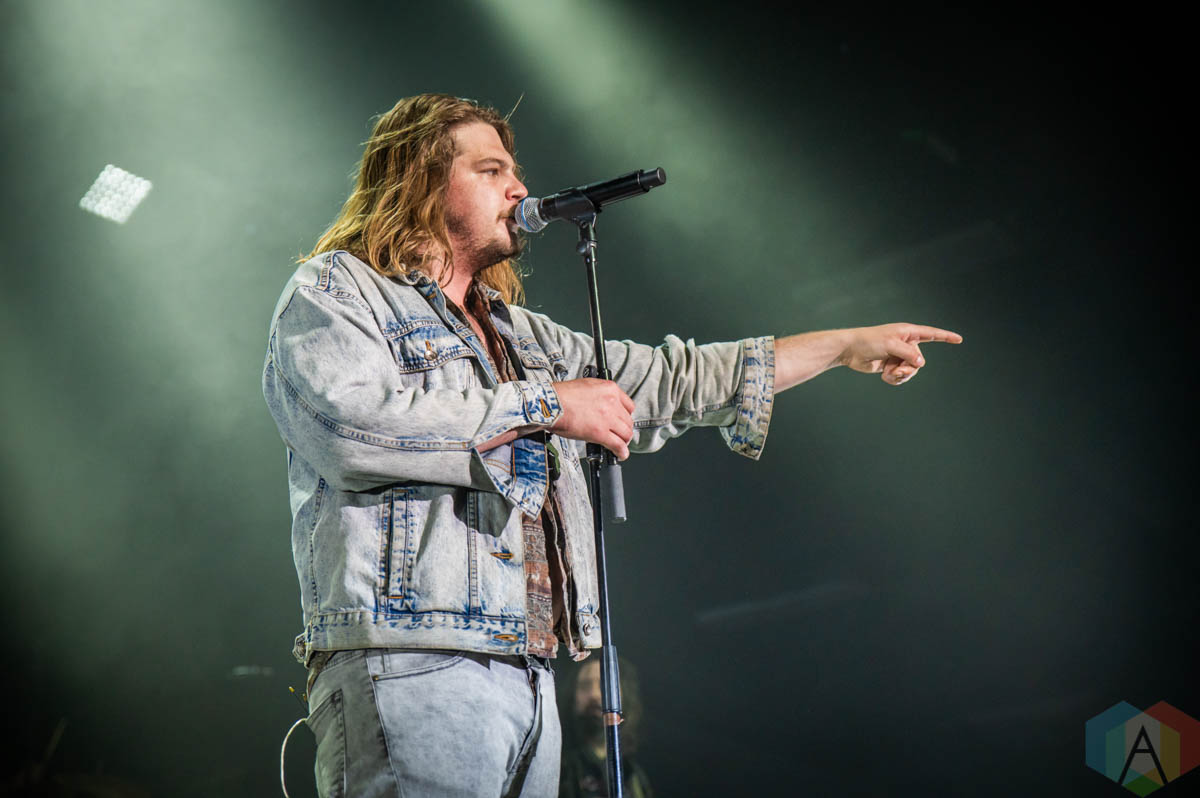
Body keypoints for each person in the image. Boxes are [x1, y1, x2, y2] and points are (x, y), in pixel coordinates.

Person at [262, 93, 962, 798]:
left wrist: (841, 344)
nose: (520, 189)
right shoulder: (337, 290)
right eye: (491, 170)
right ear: (421, 179)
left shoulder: (523, 336)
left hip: (530, 670)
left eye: (515, 171)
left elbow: (672, 378)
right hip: (409, 660)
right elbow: (349, 427)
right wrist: (547, 404)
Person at [559, 657, 654, 798]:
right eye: (585, 686)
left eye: (605, 685)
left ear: (623, 696)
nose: (594, 694)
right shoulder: (556, 767)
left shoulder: (634, 777)